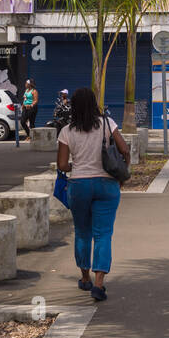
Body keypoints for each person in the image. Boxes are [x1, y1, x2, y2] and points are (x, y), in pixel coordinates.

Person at [57, 86, 128, 302]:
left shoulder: (67, 131)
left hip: (79, 185)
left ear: (74, 107)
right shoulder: (107, 124)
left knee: (82, 231)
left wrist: (77, 166)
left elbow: (62, 164)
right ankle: (99, 284)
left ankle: (85, 278)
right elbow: (124, 149)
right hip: (107, 184)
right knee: (103, 233)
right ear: (94, 103)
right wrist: (122, 172)